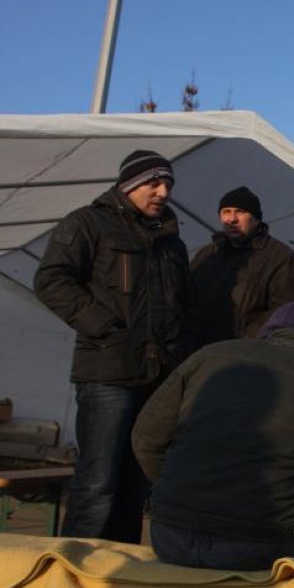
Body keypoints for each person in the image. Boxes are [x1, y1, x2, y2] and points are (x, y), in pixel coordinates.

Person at [33, 149, 194, 543]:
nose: (162, 192)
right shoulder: (88, 223)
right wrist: (103, 326)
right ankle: (72, 569)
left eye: (168, 185)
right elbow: (51, 280)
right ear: (130, 184)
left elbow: (184, 307)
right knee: (97, 483)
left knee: (135, 486)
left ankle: (118, 571)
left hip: (156, 379)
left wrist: (180, 358)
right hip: (106, 373)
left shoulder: (172, 243)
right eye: (154, 183)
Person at [132, 302, 294, 570]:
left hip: (170, 535)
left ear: (268, 331)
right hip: (259, 546)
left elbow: (145, 439)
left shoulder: (208, 356)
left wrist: (175, 489)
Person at [190, 186, 294, 345]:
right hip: (201, 355)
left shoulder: (280, 258)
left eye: (240, 212)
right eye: (226, 212)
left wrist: (245, 346)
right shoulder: (207, 255)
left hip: (248, 357)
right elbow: (186, 300)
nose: (232, 219)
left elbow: (284, 317)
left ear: (256, 219)